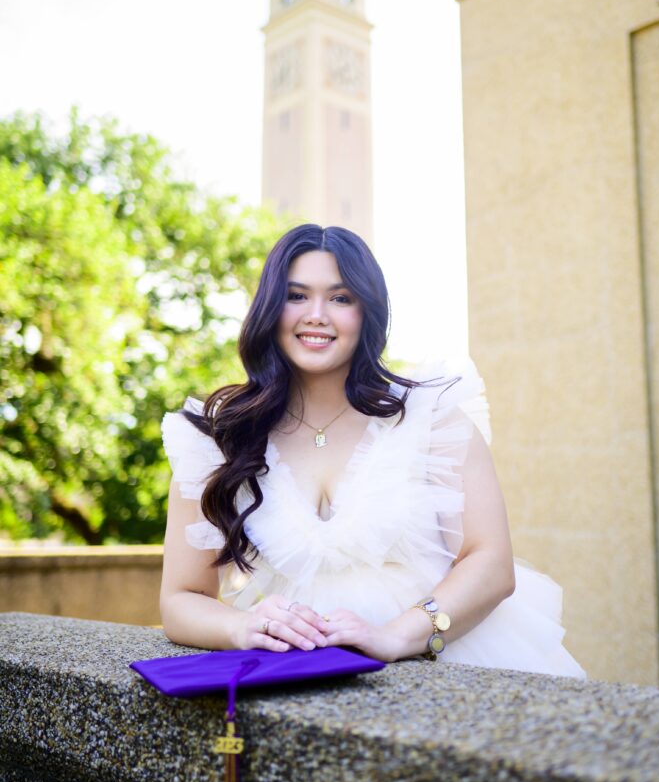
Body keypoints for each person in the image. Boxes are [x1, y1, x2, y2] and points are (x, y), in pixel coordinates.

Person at [160, 224, 585, 678]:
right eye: (297, 296)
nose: (317, 315)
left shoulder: (431, 418)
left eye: (341, 298)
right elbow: (180, 599)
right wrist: (245, 627)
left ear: (367, 312)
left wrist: (394, 636)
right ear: (269, 307)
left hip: (444, 660)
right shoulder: (219, 439)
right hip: (294, 676)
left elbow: (492, 563)